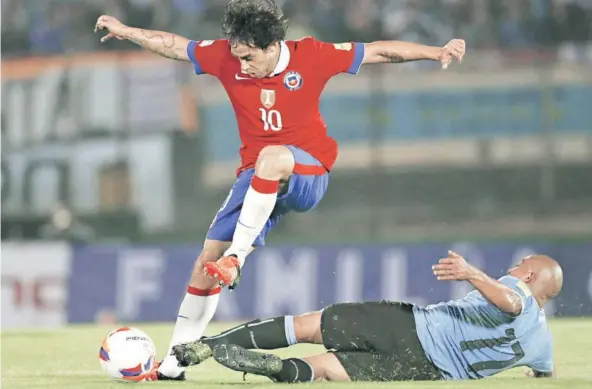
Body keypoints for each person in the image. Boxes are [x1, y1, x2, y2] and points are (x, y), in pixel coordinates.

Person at [94, 0, 466, 380]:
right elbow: (176, 45)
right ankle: (173, 367)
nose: (240, 65)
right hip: (255, 178)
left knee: (270, 157)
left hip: (307, 172)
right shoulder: (226, 56)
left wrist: (436, 51)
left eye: (248, 57)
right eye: (236, 56)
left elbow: (379, 51)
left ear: (273, 46)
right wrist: (127, 32)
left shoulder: (312, 55)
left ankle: (236, 259)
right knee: (205, 264)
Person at [173, 251, 562, 382]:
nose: (512, 268)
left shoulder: (520, 291)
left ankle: (207, 346)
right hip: (424, 372)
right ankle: (279, 370)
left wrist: (472, 273)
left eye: (518, 265)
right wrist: (537, 375)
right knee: (324, 368)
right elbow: (546, 374)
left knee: (307, 326)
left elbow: (511, 302)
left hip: (409, 326)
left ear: (529, 275)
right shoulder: (541, 344)